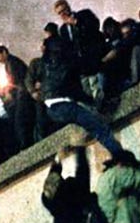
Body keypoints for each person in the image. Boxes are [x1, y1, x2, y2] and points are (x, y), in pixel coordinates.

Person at [41, 26, 125, 155]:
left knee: (84, 128)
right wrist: (107, 59)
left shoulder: (48, 64)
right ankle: (122, 157)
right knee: (100, 128)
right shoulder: (67, 61)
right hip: (64, 105)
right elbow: (88, 69)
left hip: (51, 109)